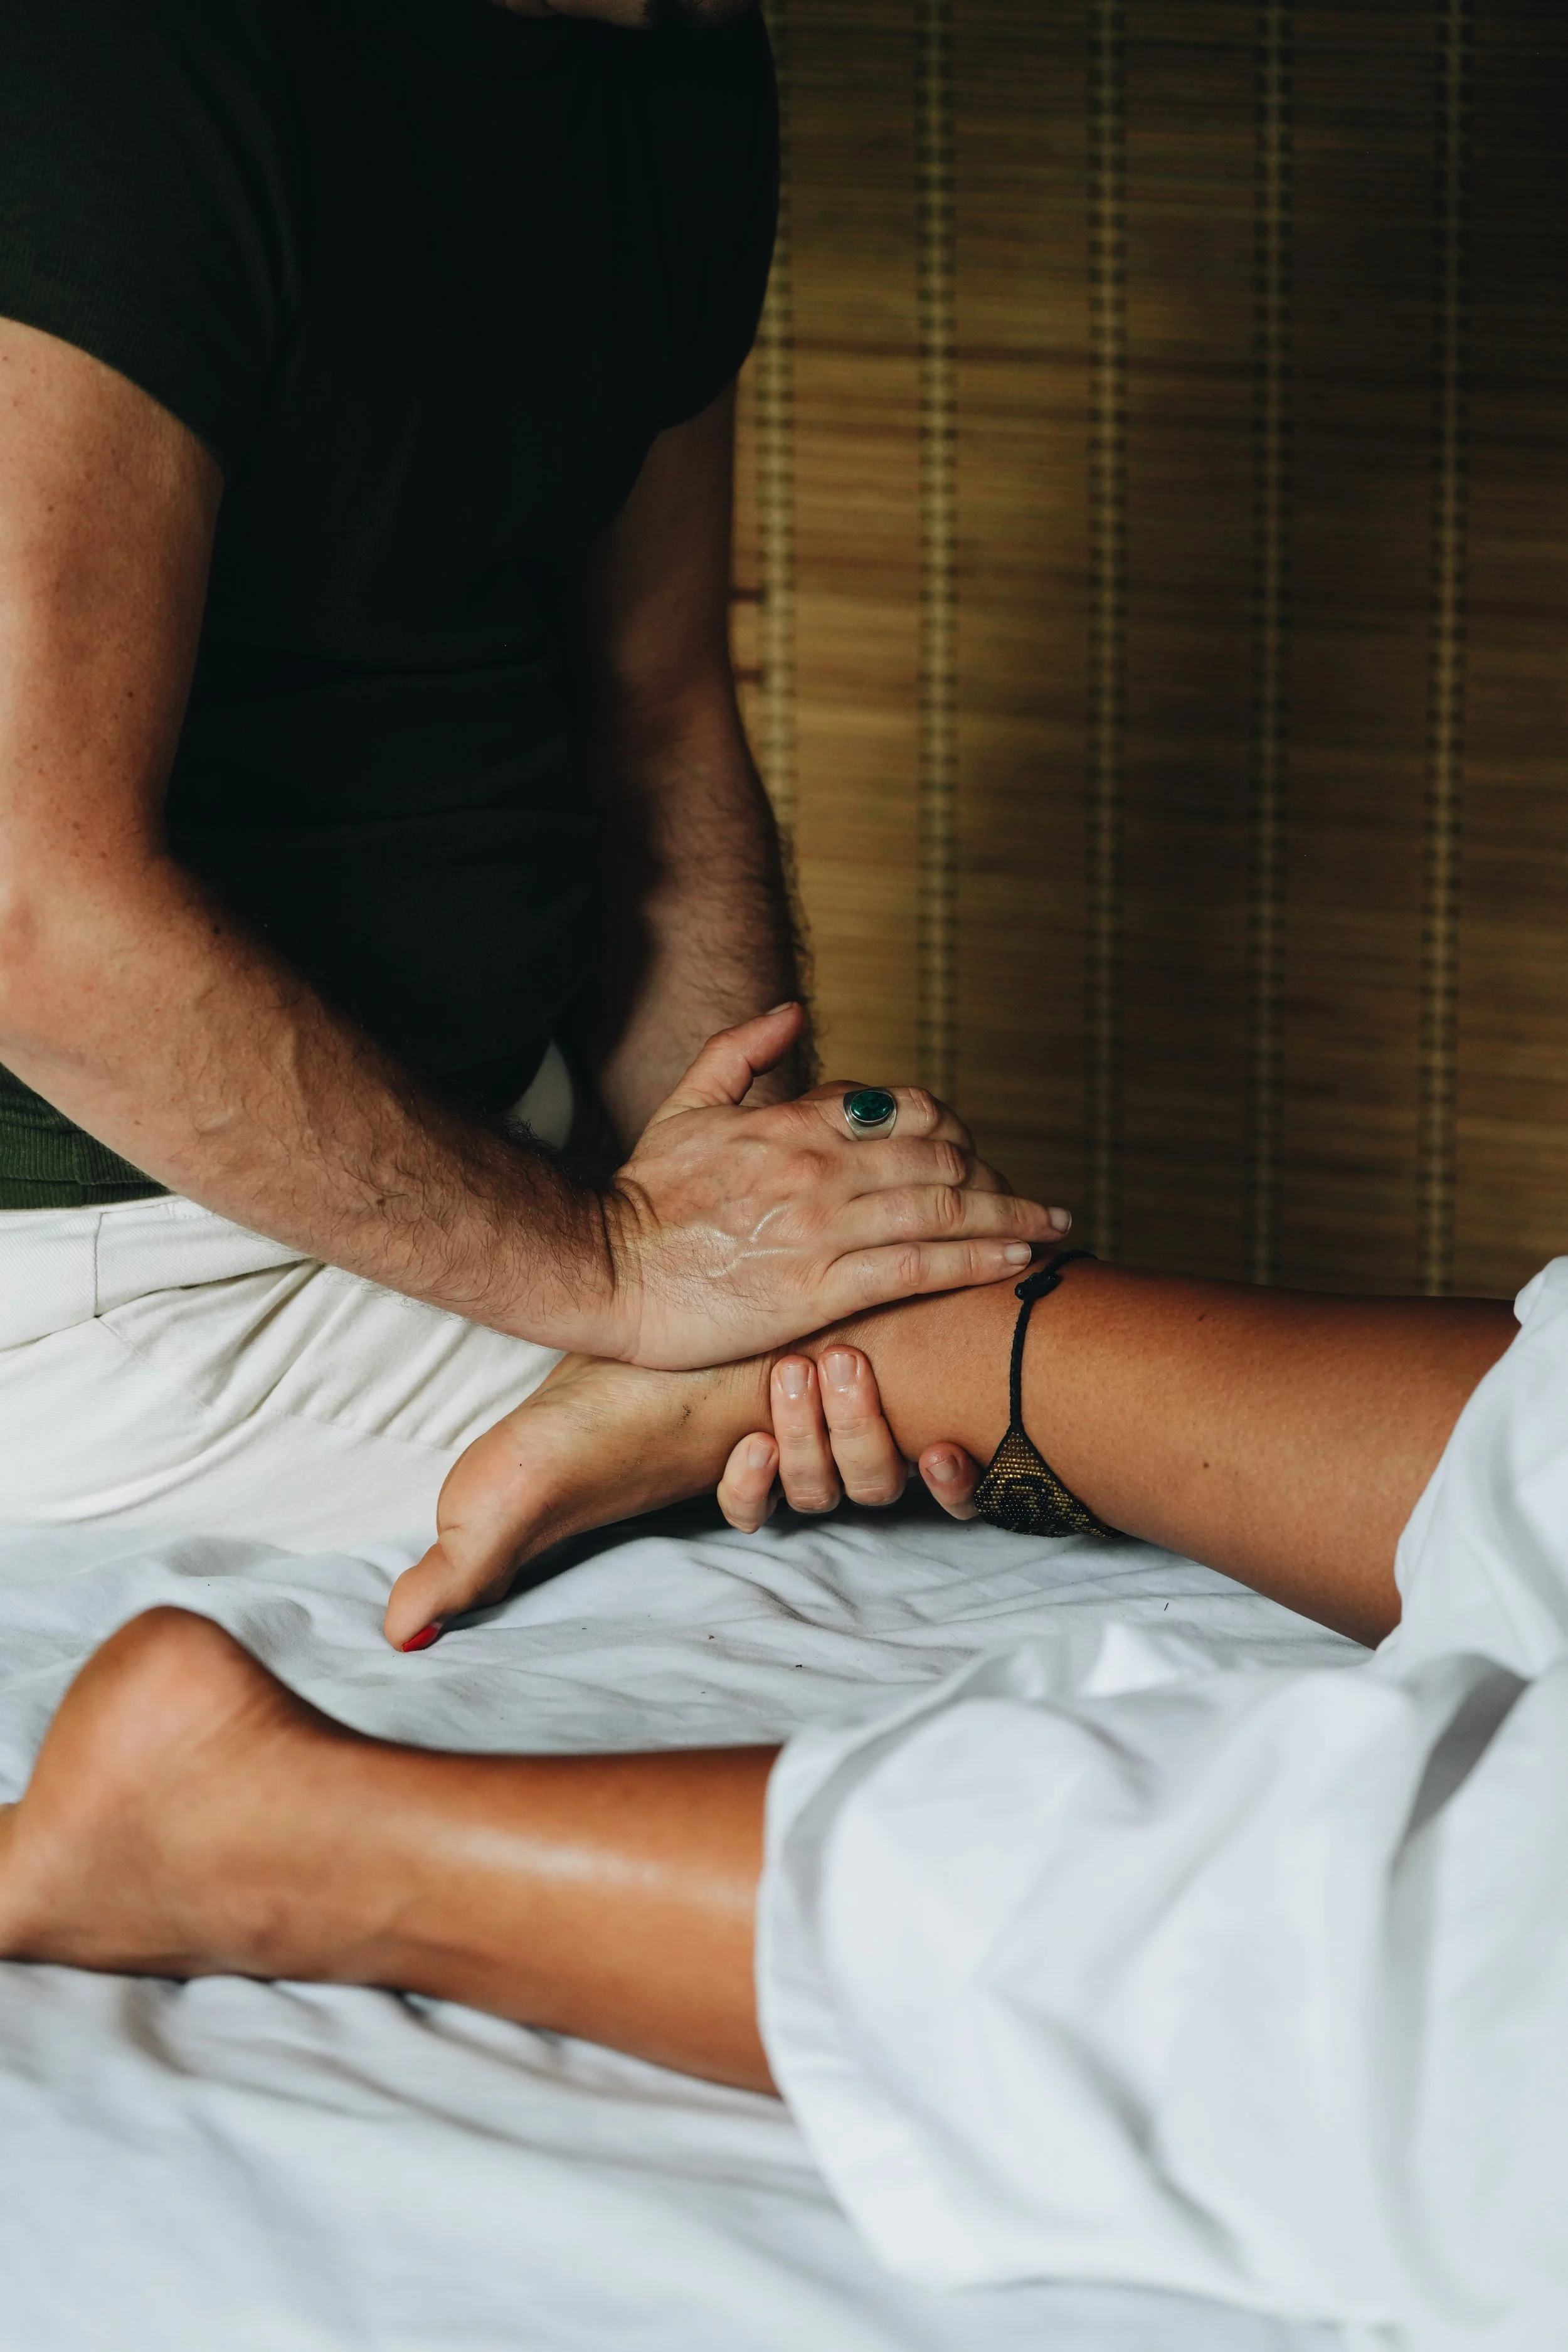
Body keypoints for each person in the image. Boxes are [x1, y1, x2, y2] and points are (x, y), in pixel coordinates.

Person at [0, 0, 1061, 1557]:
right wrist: (624, 1270)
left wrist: (751, 1214)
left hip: (506, 1175)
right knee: (1033, 1392)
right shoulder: (125, 64)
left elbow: (659, 718)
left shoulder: (679, 63)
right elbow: (28, 904)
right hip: (115, 1269)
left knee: (938, 1363)